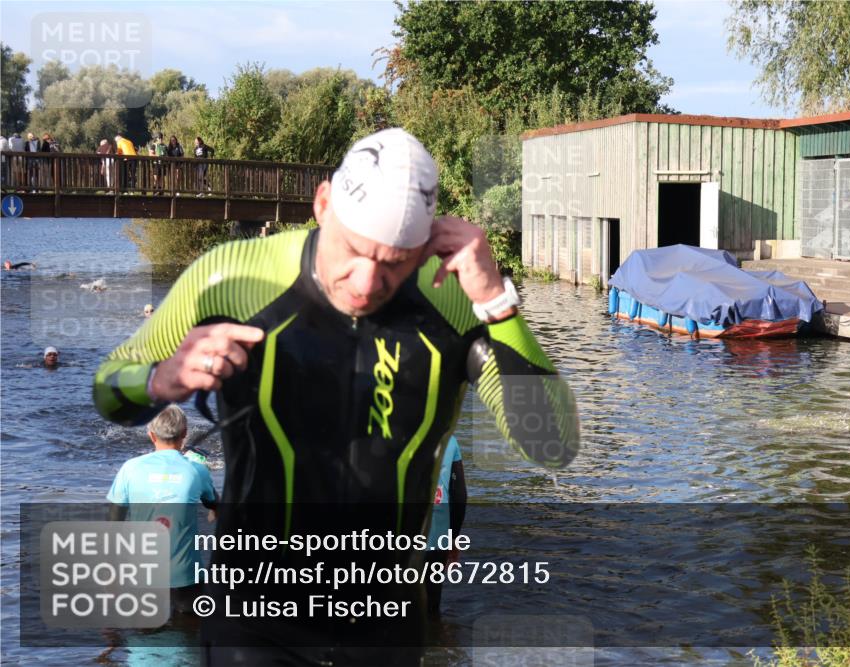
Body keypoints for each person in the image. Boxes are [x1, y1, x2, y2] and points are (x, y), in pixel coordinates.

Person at [93, 128, 579, 664]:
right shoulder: (230, 279)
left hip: (386, 627)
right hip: (254, 624)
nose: (368, 282)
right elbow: (110, 392)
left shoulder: (455, 304)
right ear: (322, 204)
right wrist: (160, 379)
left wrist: (496, 301)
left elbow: (551, 445)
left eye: (396, 261)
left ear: (426, 245)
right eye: (352, 251)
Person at [107, 404, 218, 614]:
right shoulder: (197, 470)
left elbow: (114, 524)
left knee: (143, 639)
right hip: (186, 578)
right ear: (184, 433)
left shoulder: (129, 468)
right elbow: (214, 502)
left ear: (151, 435)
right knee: (189, 635)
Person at [425, 435, 466, 616]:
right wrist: (454, 538)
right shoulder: (450, 440)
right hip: (437, 535)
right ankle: (438, 641)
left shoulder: (390, 434)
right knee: (432, 607)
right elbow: (460, 495)